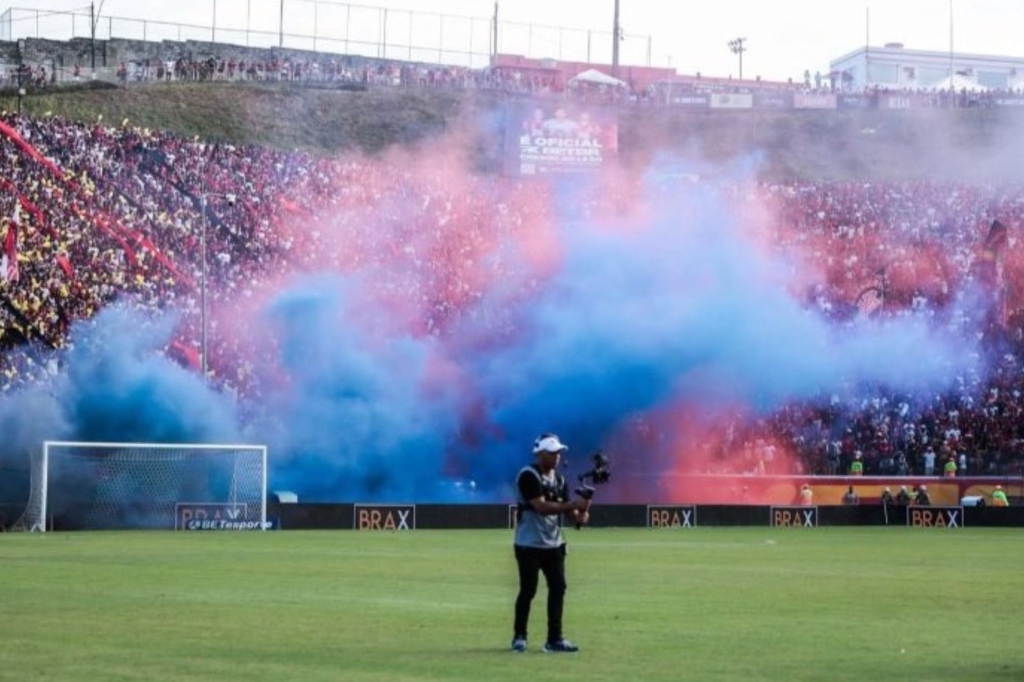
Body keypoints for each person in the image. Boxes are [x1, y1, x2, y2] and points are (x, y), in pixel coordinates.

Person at [511, 433, 591, 654]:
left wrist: (581, 514)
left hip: (554, 544)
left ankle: (554, 639)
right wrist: (574, 505)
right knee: (528, 590)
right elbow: (541, 507)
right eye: (553, 452)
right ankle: (519, 635)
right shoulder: (528, 475)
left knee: (558, 588)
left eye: (558, 452)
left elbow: (572, 514)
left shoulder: (561, 481)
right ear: (541, 454)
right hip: (528, 544)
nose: (557, 456)